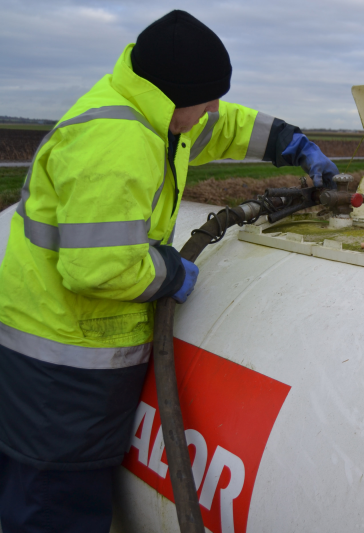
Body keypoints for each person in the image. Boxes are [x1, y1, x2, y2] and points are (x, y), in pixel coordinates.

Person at [0, 10, 338, 532]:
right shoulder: (117, 143)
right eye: (206, 100)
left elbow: (225, 125)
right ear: (176, 98)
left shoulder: (157, 113)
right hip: (64, 367)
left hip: (68, 354)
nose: (214, 110)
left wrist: (291, 143)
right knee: (57, 506)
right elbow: (99, 268)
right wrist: (173, 273)